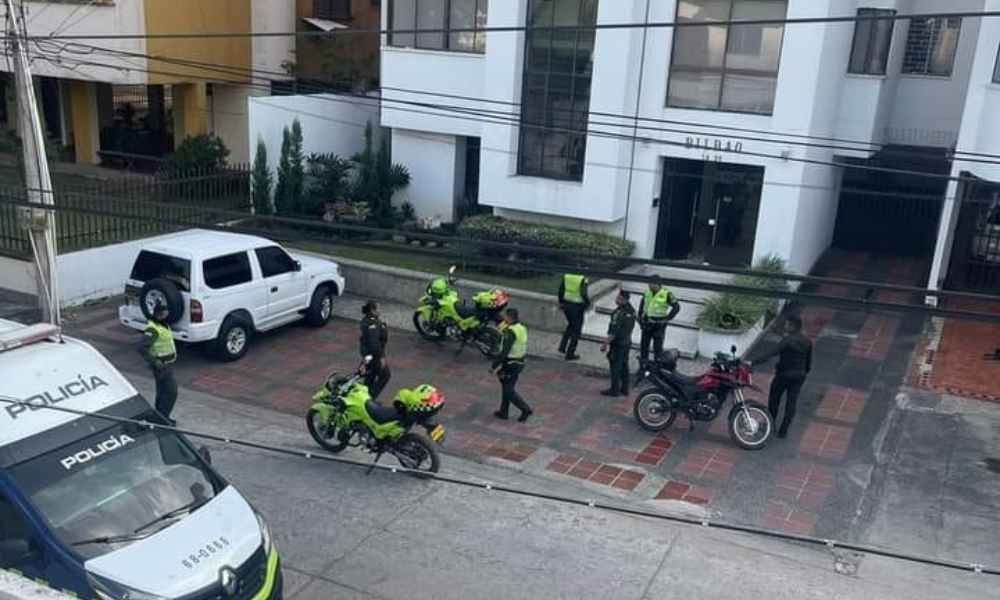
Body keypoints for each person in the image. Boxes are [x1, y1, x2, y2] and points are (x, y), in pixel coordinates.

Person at [748, 314, 813, 439]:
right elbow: (809, 361)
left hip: (784, 374)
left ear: (792, 326)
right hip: (799, 375)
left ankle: (770, 424)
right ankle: (784, 430)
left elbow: (771, 353)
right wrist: (804, 372)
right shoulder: (807, 341)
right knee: (791, 402)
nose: (785, 326)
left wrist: (753, 362)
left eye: (787, 324)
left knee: (774, 399)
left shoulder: (787, 341)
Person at [138, 303, 178, 425]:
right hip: (162, 366)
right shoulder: (152, 329)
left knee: (162, 392)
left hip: (166, 365)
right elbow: (141, 347)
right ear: (161, 313)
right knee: (171, 392)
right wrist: (156, 362)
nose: (168, 313)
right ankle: (163, 420)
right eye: (166, 311)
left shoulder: (162, 324)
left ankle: (161, 417)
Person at [491, 308, 532, 422]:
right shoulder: (521, 328)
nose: (504, 318)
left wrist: (494, 365)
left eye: (505, 316)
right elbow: (501, 324)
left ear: (509, 317)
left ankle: (525, 409)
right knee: (506, 387)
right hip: (519, 362)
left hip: (510, 363)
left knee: (508, 390)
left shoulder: (511, 332)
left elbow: (504, 351)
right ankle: (504, 411)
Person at [638, 279, 681, 366]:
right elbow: (642, 306)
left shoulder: (667, 294)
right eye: (648, 284)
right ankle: (643, 367)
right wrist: (640, 320)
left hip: (659, 325)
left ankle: (658, 368)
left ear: (658, 285)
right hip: (647, 323)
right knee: (644, 346)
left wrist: (668, 318)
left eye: (651, 284)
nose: (649, 286)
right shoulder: (647, 292)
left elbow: (676, 307)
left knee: (657, 348)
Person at [601, 290, 636, 397]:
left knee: (615, 367)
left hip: (618, 344)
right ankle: (625, 389)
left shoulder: (618, 313)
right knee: (624, 365)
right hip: (627, 342)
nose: (616, 299)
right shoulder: (632, 310)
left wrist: (605, 344)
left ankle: (614, 390)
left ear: (623, 299)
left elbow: (613, 332)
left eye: (618, 298)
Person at [359, 300, 391, 400]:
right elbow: (374, 344)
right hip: (374, 355)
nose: (380, 310)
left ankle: (365, 399)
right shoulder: (373, 323)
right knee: (385, 375)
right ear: (373, 310)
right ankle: (370, 399)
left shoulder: (368, 320)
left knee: (370, 377)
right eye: (378, 308)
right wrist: (381, 357)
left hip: (368, 355)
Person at [557, 272, 589, 361]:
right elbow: (583, 293)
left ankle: (562, 347)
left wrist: (561, 302)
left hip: (566, 305)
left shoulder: (567, 276)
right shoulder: (582, 278)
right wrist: (587, 303)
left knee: (571, 325)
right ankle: (570, 354)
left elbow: (561, 290)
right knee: (576, 330)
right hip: (577, 307)